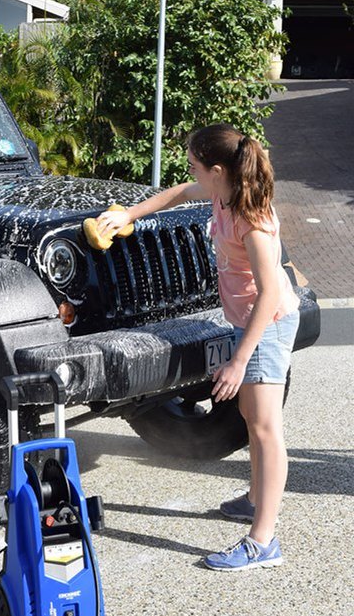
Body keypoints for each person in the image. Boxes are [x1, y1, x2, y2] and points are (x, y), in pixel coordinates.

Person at [96, 123, 300, 572]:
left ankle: (263, 541)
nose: (189, 172)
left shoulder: (252, 217)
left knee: (265, 429)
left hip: (268, 323)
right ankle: (254, 499)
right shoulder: (221, 191)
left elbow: (269, 293)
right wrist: (129, 214)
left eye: (194, 165)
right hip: (249, 321)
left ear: (217, 169)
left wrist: (239, 359)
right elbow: (174, 194)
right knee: (251, 416)